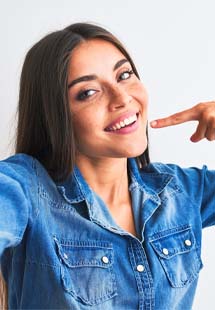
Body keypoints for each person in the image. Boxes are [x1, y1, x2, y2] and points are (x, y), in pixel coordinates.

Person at [0, 22, 214, 310]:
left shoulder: (178, 190)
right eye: (88, 92)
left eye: (124, 75)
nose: (123, 98)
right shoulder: (24, 188)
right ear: (55, 115)